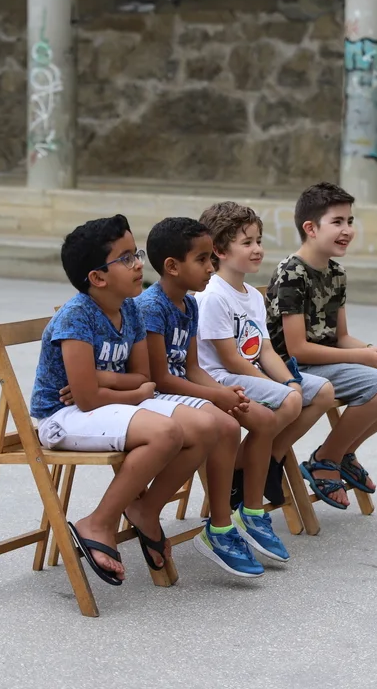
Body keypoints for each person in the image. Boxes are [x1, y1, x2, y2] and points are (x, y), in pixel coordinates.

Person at [29, 214, 218, 585]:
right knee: (166, 432)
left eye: (136, 254)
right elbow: (87, 399)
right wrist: (132, 391)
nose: (138, 265)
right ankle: (98, 522)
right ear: (98, 278)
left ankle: (146, 509)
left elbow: (143, 376)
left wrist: (107, 379)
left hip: (110, 403)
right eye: (126, 258)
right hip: (62, 416)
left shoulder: (130, 308)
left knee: (205, 426)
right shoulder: (76, 317)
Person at [265, 183, 377, 510]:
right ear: (311, 228)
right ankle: (325, 459)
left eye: (350, 221)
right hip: (295, 368)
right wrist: (360, 357)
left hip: (330, 360)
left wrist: (371, 351)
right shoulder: (292, 273)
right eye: (337, 222)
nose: (347, 230)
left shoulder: (336, 273)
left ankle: (343, 452)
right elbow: (297, 349)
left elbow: (341, 337)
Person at [139, 216, 291, 567]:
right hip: (160, 394)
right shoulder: (152, 306)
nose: (211, 267)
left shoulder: (189, 304)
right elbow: (161, 378)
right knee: (227, 425)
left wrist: (224, 391)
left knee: (264, 419)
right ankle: (220, 526)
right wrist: (215, 395)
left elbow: (193, 368)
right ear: (172, 267)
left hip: (187, 388)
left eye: (211, 258)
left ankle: (251, 512)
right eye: (202, 259)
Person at [194, 202, 338, 530]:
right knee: (289, 401)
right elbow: (230, 358)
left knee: (322, 392)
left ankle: (266, 461)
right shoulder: (213, 296)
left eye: (258, 240)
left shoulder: (253, 296)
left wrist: (289, 381)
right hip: (220, 378)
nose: (257, 249)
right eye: (247, 243)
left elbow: (265, 349)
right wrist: (280, 389)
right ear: (220, 251)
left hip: (247, 373)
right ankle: (241, 471)